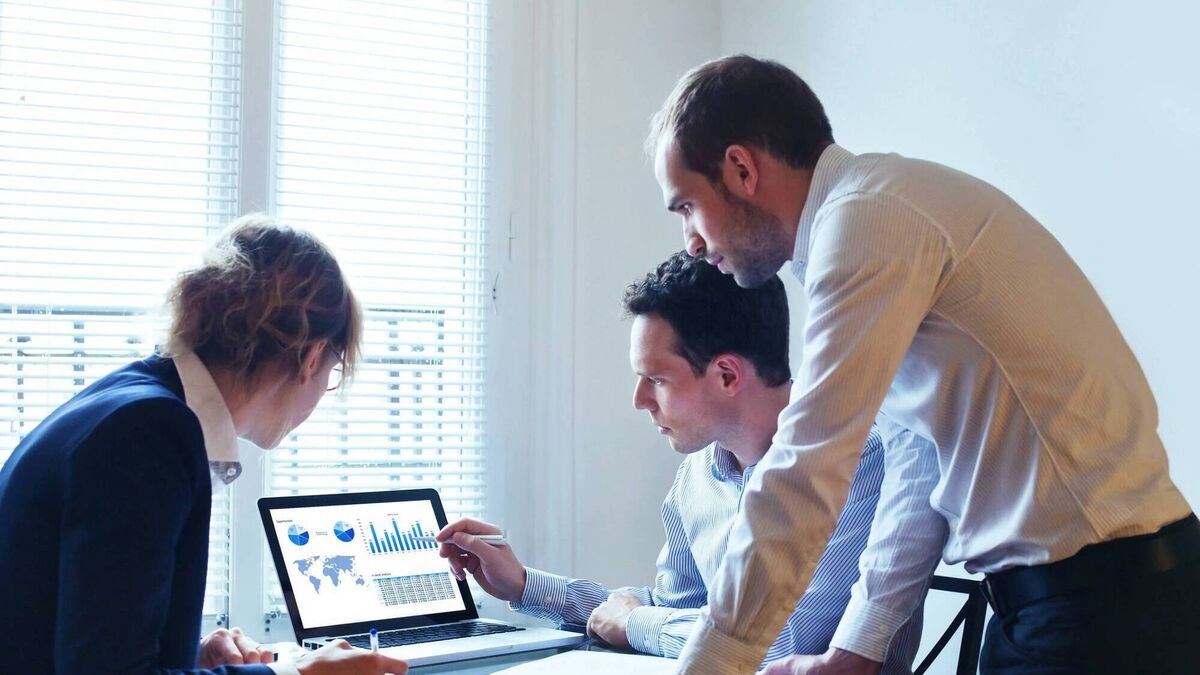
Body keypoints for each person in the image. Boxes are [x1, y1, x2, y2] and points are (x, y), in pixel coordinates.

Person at [646, 55, 1200, 675]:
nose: (691, 242)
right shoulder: (873, 213)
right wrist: (856, 650)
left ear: (741, 169)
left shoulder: (866, 223)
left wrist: (713, 665)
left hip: (1102, 610)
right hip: (1072, 604)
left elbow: (806, 466)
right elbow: (918, 456)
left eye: (686, 207)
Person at [435, 252, 927, 672]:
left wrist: (635, 622)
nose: (639, 400)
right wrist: (523, 585)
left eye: (657, 380)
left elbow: (780, 643)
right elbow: (675, 609)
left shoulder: (859, 460)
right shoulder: (697, 475)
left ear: (727, 375)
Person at [0, 216, 409, 675]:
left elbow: (85, 632)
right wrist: (296, 673)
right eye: (332, 374)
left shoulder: (129, 400)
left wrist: (189, 655)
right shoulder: (149, 432)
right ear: (311, 358)